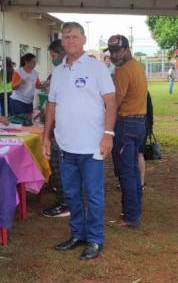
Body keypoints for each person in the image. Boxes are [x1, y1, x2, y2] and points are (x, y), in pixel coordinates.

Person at [42, 22, 116, 260]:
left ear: (84, 39)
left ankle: (95, 239)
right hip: (65, 146)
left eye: (74, 36)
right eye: (66, 37)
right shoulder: (58, 72)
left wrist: (108, 135)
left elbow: (111, 102)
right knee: (72, 194)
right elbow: (52, 106)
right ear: (62, 41)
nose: (70, 40)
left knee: (93, 195)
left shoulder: (97, 67)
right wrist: (46, 137)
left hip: (92, 145)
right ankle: (77, 234)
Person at [106, 34, 148, 228]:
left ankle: (131, 216)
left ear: (126, 49)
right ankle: (135, 211)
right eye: (111, 51)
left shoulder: (123, 71)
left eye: (116, 51)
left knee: (126, 172)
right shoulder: (137, 66)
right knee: (131, 169)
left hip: (126, 123)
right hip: (139, 122)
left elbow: (115, 103)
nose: (113, 55)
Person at [42, 40, 70, 218]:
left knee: (61, 166)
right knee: (61, 165)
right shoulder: (60, 71)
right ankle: (65, 200)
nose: (52, 60)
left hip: (65, 128)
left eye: (53, 56)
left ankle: (65, 203)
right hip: (62, 126)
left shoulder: (65, 72)